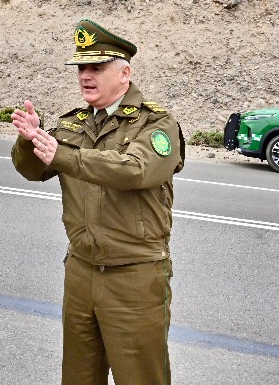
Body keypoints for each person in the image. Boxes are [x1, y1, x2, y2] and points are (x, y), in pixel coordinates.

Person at [10, 19, 185, 385]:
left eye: (96, 67)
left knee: (140, 378)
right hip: (81, 272)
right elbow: (33, 170)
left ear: (125, 73)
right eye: (81, 68)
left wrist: (64, 156)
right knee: (79, 377)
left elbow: (135, 170)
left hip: (134, 277)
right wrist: (30, 140)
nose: (85, 76)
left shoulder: (156, 123)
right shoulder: (72, 124)